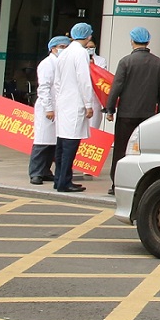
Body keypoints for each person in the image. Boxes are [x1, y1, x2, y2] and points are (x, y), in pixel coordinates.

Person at [106, 25, 160, 194]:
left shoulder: (126, 62)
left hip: (126, 114)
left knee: (121, 150)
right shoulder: (158, 63)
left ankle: (117, 184)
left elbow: (116, 87)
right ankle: (141, 185)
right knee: (143, 152)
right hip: (148, 115)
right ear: (148, 41)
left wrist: (110, 109)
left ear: (132, 41)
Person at [45, 22, 99, 193]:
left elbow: (58, 81)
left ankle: (59, 179)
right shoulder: (80, 53)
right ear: (88, 36)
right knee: (70, 145)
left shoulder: (65, 52)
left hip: (63, 103)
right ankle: (65, 182)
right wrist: (88, 104)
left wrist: (59, 100)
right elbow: (84, 80)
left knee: (61, 144)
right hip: (75, 103)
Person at [28, 36, 68, 185]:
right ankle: (35, 173)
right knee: (42, 142)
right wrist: (49, 108)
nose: (64, 50)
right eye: (61, 47)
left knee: (53, 143)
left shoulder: (63, 63)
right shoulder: (47, 64)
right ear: (52, 48)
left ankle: (45, 171)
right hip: (47, 108)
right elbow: (44, 88)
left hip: (59, 108)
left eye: (66, 47)